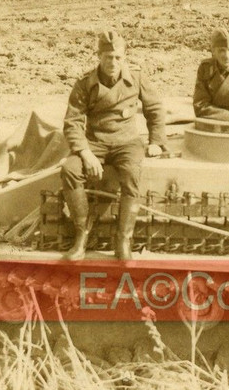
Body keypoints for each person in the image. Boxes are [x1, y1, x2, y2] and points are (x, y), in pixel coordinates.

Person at [61, 30, 166, 260]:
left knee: (132, 173)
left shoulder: (136, 78)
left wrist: (156, 141)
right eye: (108, 57)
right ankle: (82, 236)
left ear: (124, 57)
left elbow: (155, 109)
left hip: (127, 142)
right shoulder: (85, 83)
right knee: (70, 170)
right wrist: (86, 153)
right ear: (99, 56)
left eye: (118, 57)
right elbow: (72, 122)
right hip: (95, 143)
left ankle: (123, 239)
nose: (113, 62)